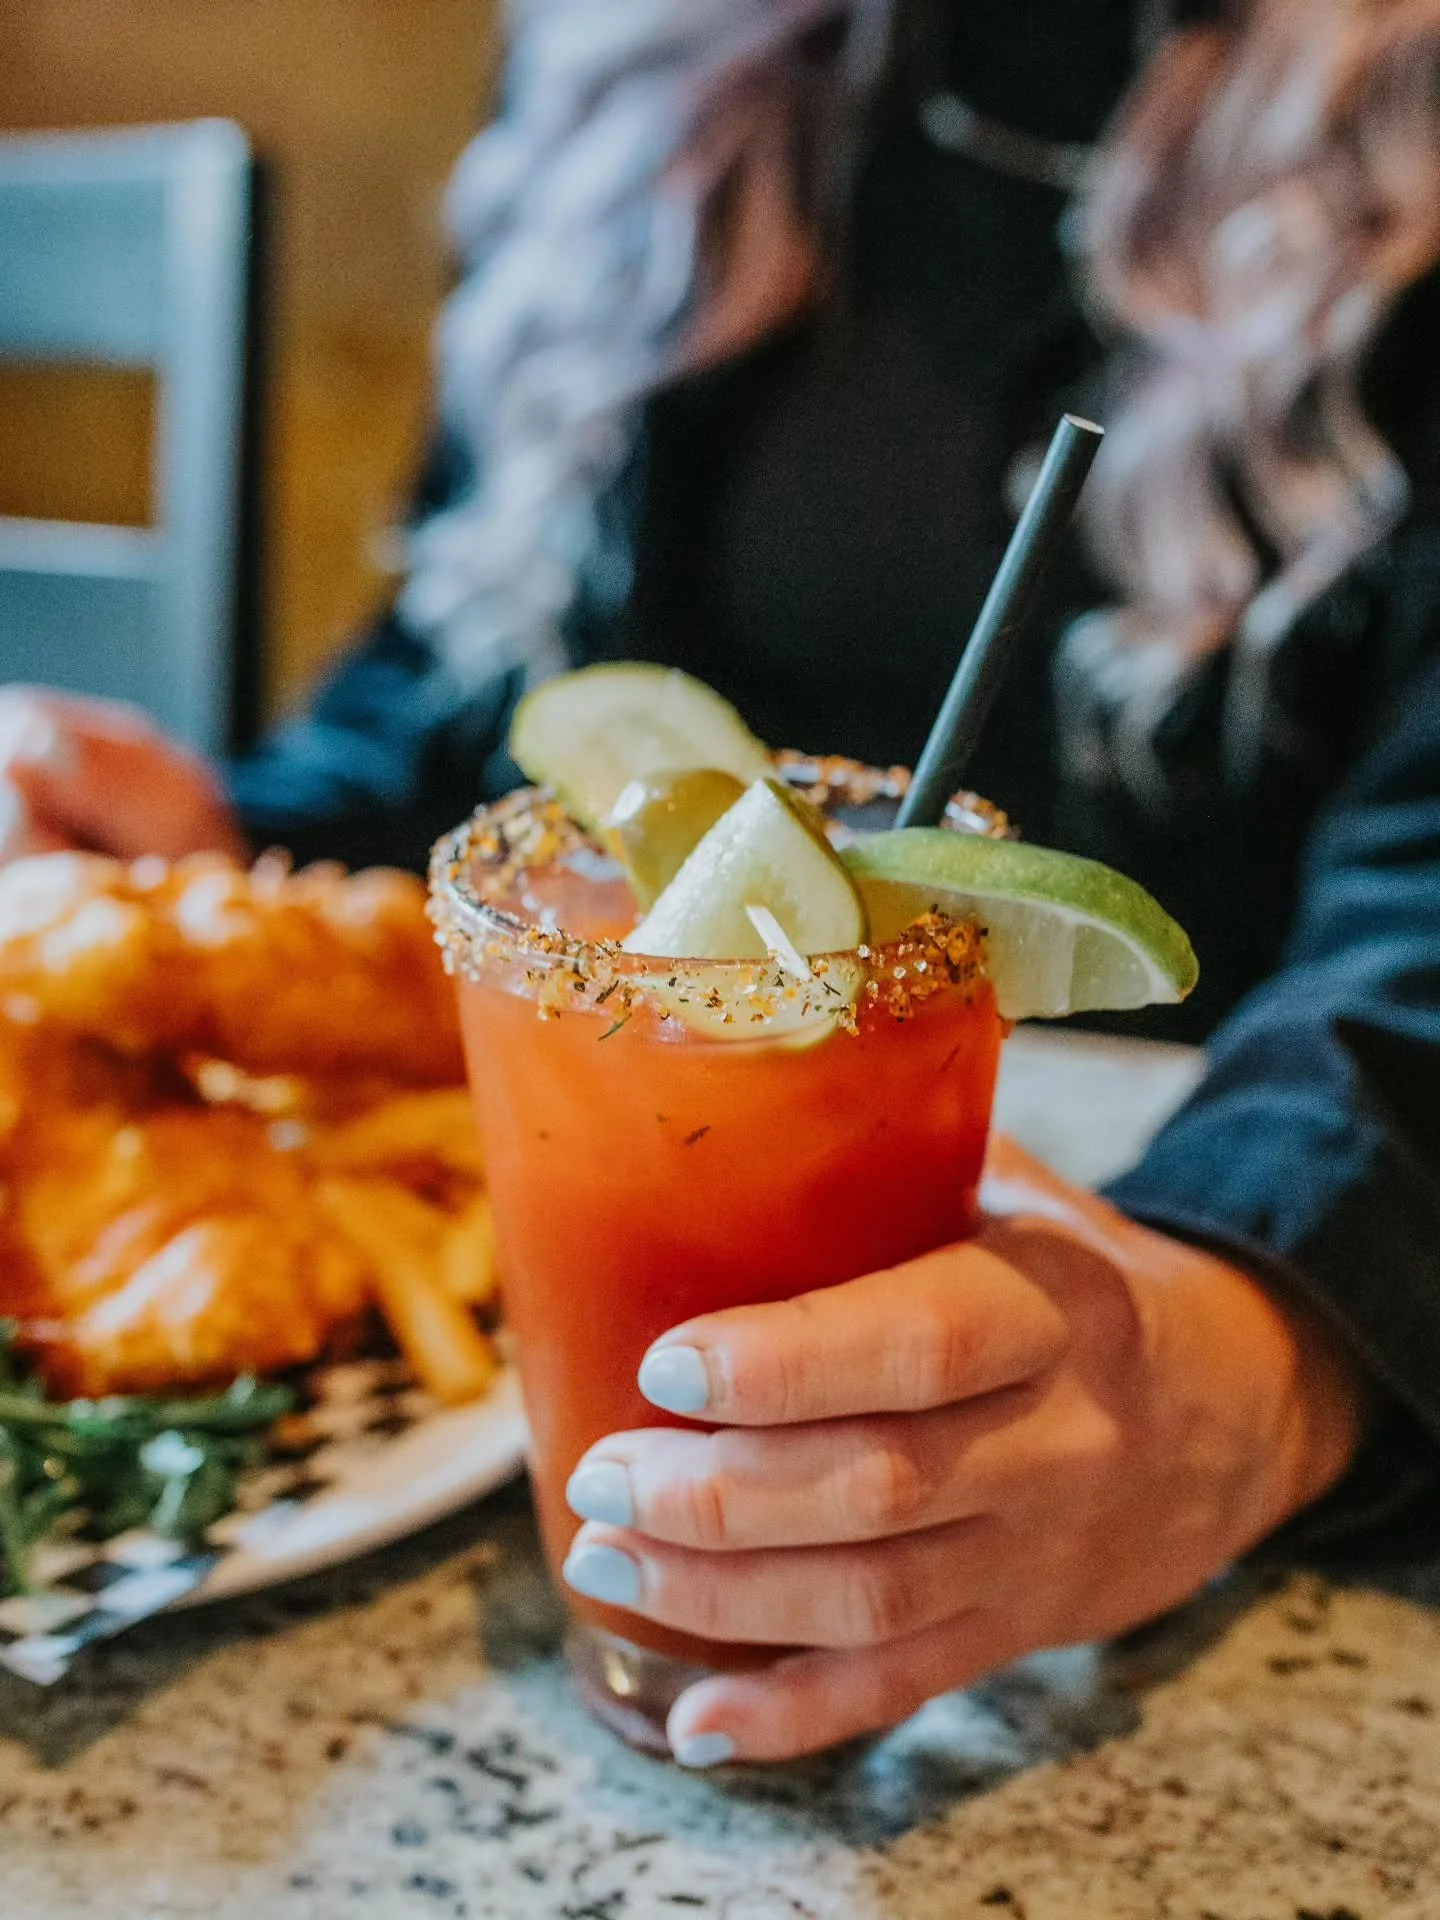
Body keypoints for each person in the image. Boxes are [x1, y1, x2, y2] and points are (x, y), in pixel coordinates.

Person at [4, 0, 1438, 1764]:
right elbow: (483, 708)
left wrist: (1270, 1343)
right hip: (596, 1221)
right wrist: (208, 840)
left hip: (1173, 1288)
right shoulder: (628, 42)